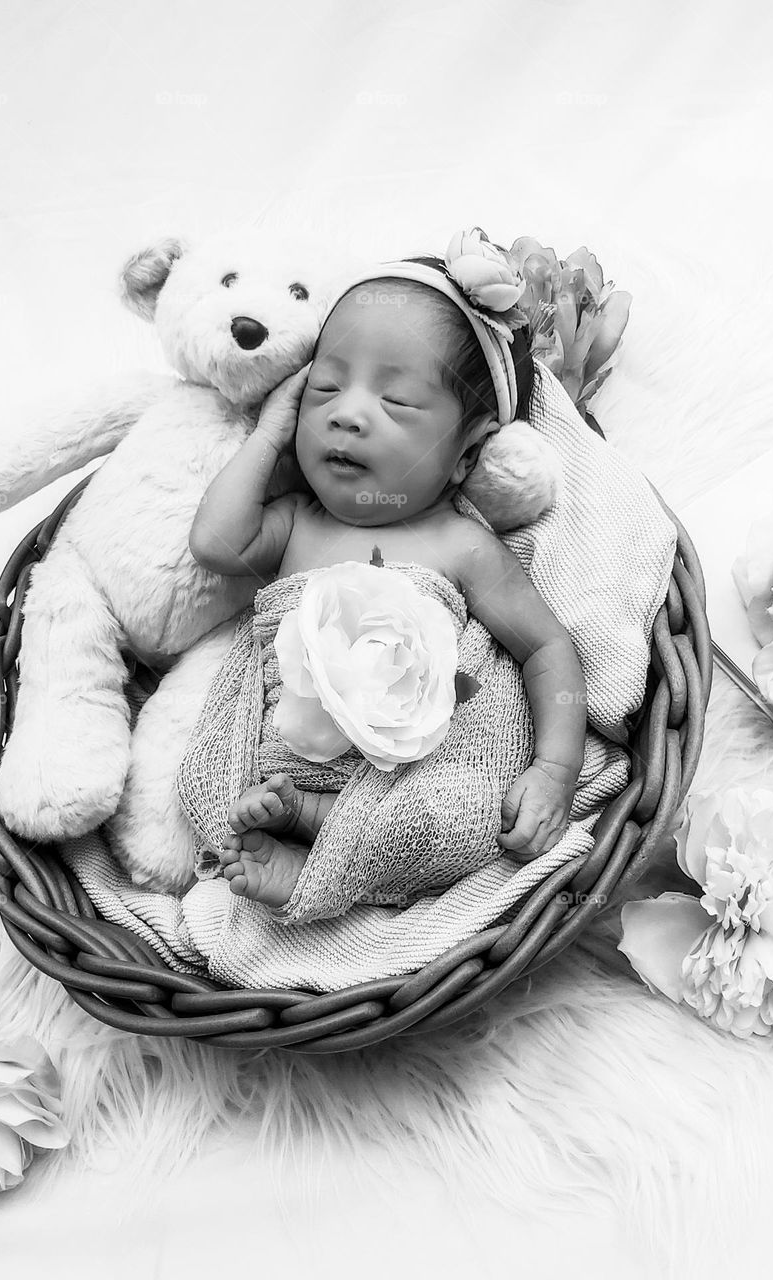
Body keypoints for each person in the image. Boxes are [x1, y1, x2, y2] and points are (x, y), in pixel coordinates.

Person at [179, 239, 587, 919]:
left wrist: (554, 772)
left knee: (465, 817)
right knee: (202, 778)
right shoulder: (298, 522)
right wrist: (272, 432)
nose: (346, 412)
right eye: (325, 388)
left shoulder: (461, 545)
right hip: (281, 751)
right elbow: (214, 542)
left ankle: (322, 839)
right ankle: (288, 826)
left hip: (407, 777)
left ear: (466, 452)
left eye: (396, 401)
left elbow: (547, 648)